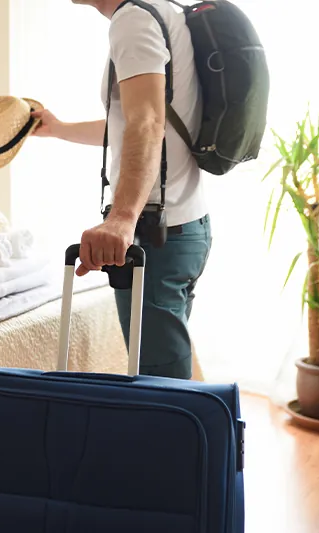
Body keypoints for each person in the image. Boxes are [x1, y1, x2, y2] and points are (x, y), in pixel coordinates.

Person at [32, 0, 211, 379]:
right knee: (172, 374)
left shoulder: (132, 19)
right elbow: (135, 123)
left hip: (156, 233)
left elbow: (147, 122)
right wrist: (59, 128)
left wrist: (122, 218)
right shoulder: (164, 11)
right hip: (185, 223)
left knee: (161, 392)